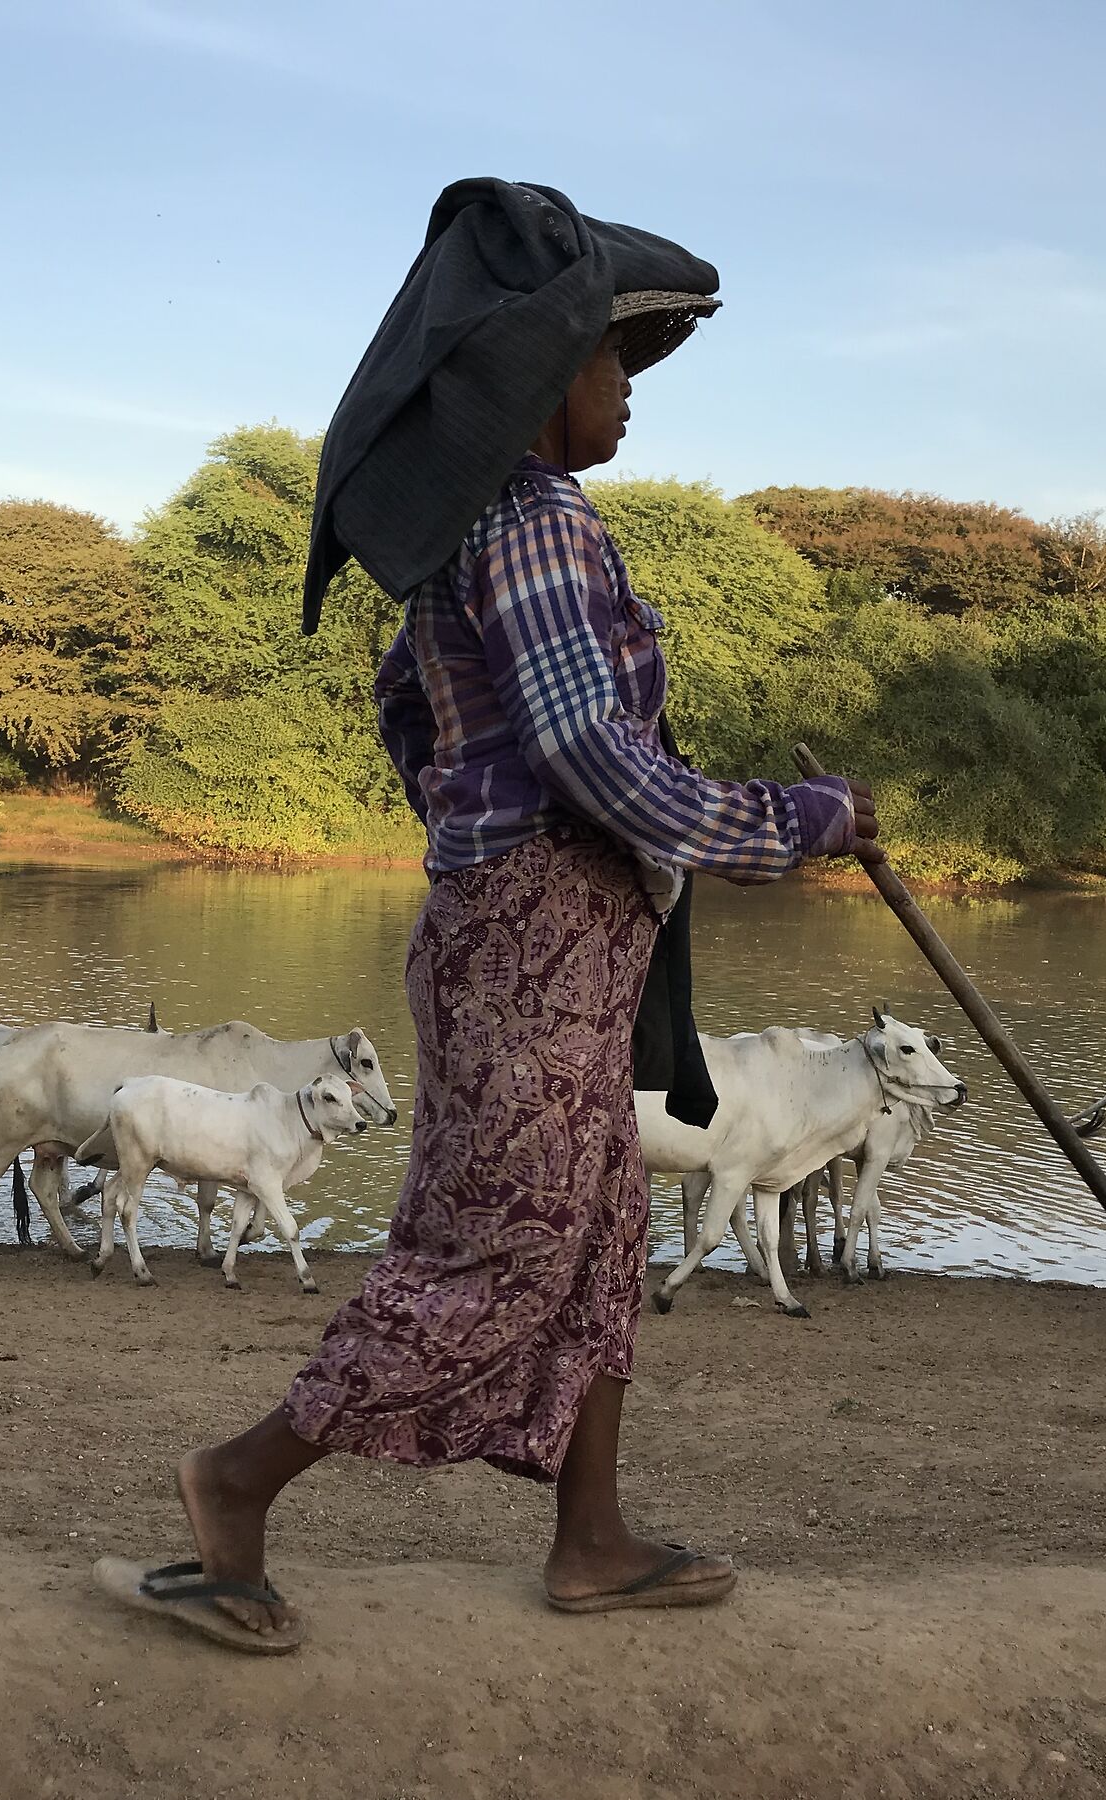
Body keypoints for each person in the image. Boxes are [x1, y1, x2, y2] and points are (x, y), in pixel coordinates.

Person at [96, 180, 877, 1654]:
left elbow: (413, 715)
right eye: (610, 364)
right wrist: (802, 820)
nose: (629, 394)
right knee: (499, 1246)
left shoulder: (482, 534)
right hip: (534, 941)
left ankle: (591, 1538)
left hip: (538, 930)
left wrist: (478, 828)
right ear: (534, 379)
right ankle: (236, 1483)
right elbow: (594, 759)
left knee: (595, 1231)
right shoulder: (536, 524)